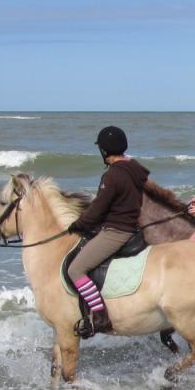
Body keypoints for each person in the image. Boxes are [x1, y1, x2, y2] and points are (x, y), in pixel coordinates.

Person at [66, 125, 149, 338]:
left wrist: (79, 225)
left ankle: (100, 315)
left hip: (116, 231)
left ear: (104, 151)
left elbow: (98, 209)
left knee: (75, 270)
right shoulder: (134, 169)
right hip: (132, 227)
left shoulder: (112, 175)